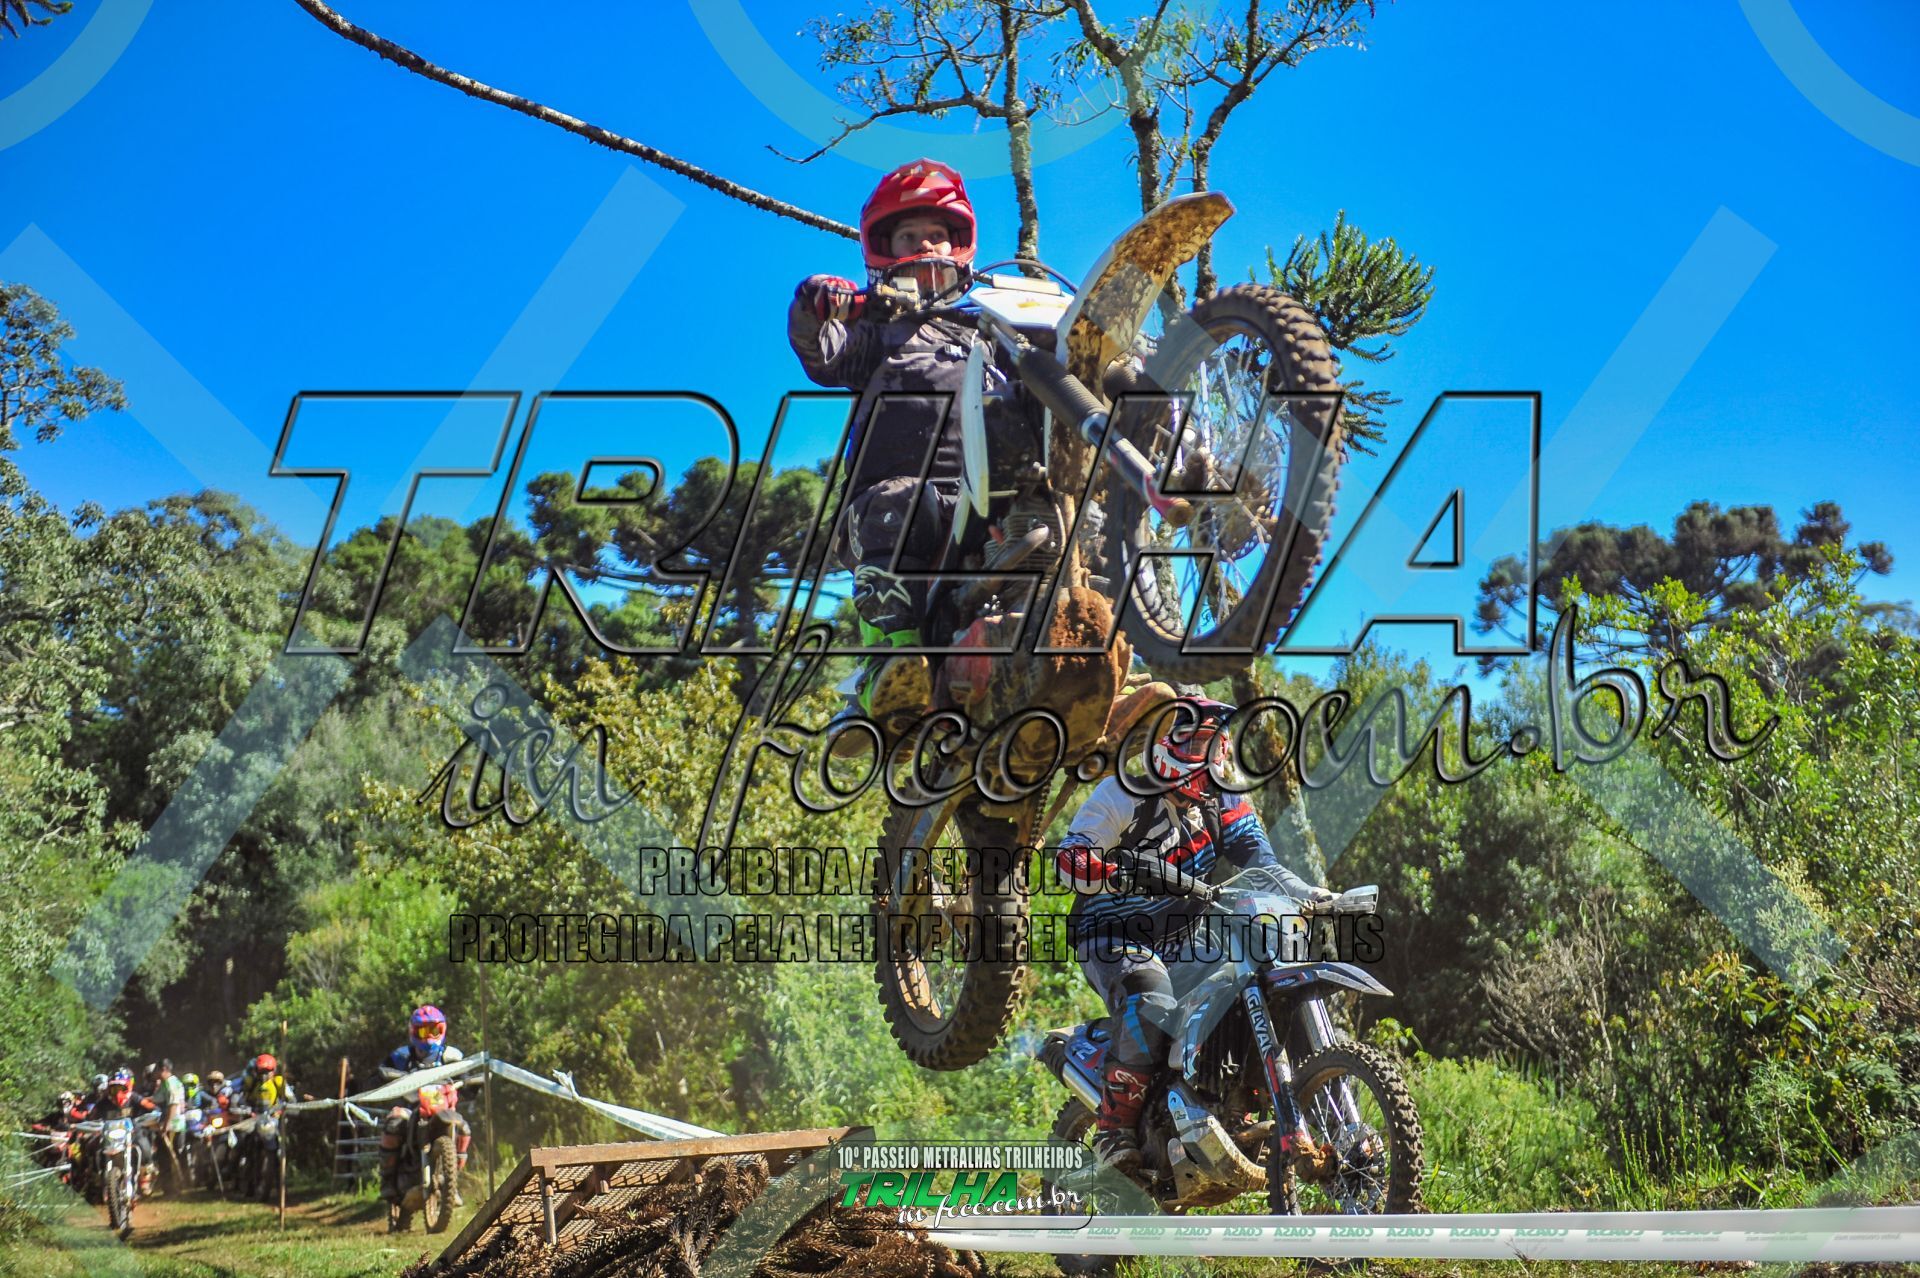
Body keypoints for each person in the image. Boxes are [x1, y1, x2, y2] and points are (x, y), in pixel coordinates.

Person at [787, 157, 1039, 726]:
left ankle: (1091, 657)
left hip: (991, 498)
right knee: (900, 503)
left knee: (1066, 517)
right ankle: (890, 661)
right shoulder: (873, 333)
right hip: (899, 504)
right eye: (909, 236)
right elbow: (818, 352)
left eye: (936, 235)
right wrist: (816, 303)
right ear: (886, 249)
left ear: (959, 246)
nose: (925, 245)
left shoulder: (992, 329)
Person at [1053, 698, 1335, 1174]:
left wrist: (1312, 894)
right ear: (1167, 742)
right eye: (1202, 742)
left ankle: (1232, 1100)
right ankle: (1113, 1132)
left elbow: (1262, 863)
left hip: (1184, 935)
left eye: (1218, 743)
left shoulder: (1224, 799)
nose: (1213, 756)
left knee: (1255, 976)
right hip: (1111, 934)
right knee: (1150, 997)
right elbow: (1068, 859)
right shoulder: (1121, 794)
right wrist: (1113, 873)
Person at [377, 1004, 470, 1207]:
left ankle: (452, 1183)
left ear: (442, 1030)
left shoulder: (452, 1056)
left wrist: (470, 1082)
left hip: (443, 1108)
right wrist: (391, 1077)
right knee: (393, 1124)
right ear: (413, 1032)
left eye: (434, 1030)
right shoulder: (402, 1056)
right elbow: (382, 1071)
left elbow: (466, 1076)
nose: (428, 1036)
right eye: (423, 1031)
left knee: (463, 1129)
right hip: (410, 1107)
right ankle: (387, 1181)